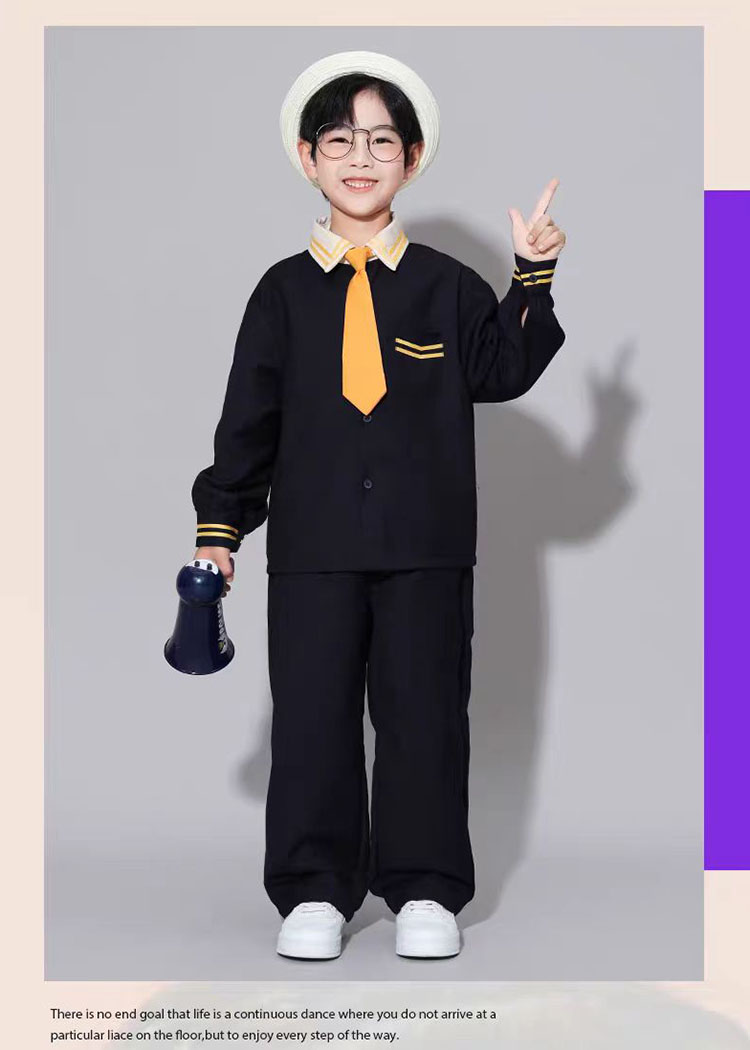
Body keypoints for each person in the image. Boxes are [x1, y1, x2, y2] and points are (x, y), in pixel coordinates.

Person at [190, 50, 567, 960]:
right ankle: (314, 890)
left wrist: (530, 276)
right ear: (308, 157)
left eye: (382, 141)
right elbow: (248, 420)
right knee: (312, 719)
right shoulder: (281, 293)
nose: (361, 158)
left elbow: (503, 370)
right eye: (340, 141)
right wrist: (221, 529)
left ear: (413, 157)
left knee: (424, 716)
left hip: (426, 546)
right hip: (313, 547)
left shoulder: (446, 283)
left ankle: (426, 887)